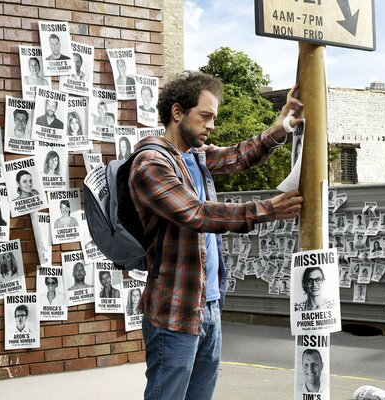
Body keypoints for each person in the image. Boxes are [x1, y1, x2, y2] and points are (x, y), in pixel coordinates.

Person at [127, 71, 303, 400]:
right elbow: (196, 213)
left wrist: (282, 127)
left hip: (209, 307)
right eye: (205, 116)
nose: (211, 126)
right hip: (174, 312)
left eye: (214, 118)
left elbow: (239, 155)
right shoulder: (150, 164)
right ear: (177, 112)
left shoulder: (196, 155)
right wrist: (266, 209)